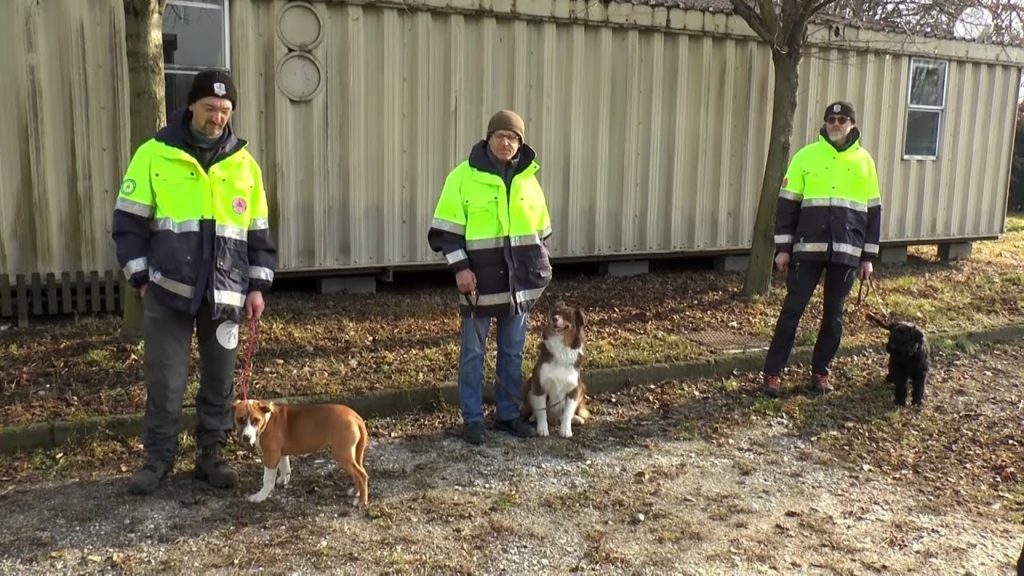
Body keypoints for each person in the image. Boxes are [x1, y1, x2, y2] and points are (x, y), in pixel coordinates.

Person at [112, 69, 277, 494]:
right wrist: (141, 276)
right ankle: (158, 460)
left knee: (220, 383)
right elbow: (128, 223)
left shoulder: (245, 164)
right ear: (191, 106)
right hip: (168, 291)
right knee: (165, 381)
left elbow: (258, 232)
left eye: (225, 110)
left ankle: (211, 456)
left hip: (225, 294)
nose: (217, 117)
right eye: (209, 108)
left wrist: (257, 286)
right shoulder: (154, 154)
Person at [428, 110, 552, 444]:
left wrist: (538, 270)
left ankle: (508, 415)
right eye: (500, 136)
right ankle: (472, 419)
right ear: (489, 138)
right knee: (473, 353)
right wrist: (461, 269)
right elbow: (444, 233)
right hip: (477, 283)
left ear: (520, 143)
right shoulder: (462, 177)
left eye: (513, 138)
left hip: (517, 287)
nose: (506, 142)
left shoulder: (529, 180)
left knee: (512, 353)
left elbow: (541, 232)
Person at [762, 100, 882, 397]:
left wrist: (868, 256)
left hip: (847, 252)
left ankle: (821, 373)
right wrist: (783, 248)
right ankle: (773, 373)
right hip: (807, 250)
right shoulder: (806, 156)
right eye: (832, 119)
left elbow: (874, 212)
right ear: (825, 123)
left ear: (852, 124)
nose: (836, 124)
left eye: (842, 119)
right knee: (792, 311)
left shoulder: (865, 161)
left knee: (834, 316)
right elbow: (787, 205)